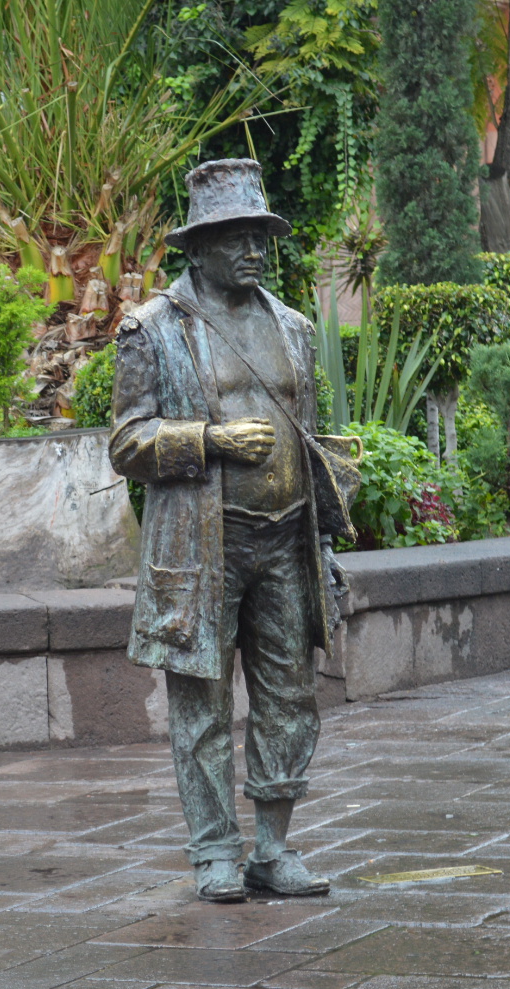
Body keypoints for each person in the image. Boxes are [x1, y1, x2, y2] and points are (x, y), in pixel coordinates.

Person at [109, 159, 348, 902]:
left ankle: (273, 849)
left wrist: (328, 537)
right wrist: (207, 441)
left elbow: (311, 437)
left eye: (260, 235)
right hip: (202, 547)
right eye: (236, 236)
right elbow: (125, 444)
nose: (254, 249)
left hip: (286, 542)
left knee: (290, 697)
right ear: (198, 246)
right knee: (202, 705)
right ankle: (214, 852)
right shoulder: (151, 330)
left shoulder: (295, 328)